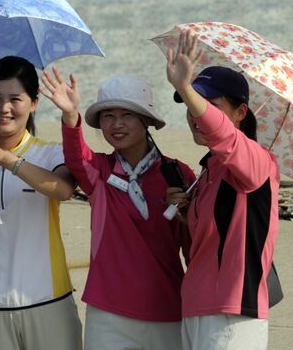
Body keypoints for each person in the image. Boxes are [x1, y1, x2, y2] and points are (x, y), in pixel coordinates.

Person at [40, 68, 196, 350]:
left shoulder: (179, 175)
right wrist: (70, 115)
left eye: (127, 115)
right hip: (107, 311)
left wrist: (186, 215)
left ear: (147, 119)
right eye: (108, 116)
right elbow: (77, 158)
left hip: (166, 307)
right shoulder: (99, 170)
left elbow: (195, 245)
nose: (116, 124)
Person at [0, 56, 82, 350]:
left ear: (33, 103)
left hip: (48, 302)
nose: (4, 108)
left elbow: (62, 189)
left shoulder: (51, 154)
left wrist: (4, 159)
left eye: (15, 99)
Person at [164, 31, 280, 350]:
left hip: (233, 312)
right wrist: (185, 212)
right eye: (190, 106)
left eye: (208, 105)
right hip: (195, 307)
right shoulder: (207, 170)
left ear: (240, 112)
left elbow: (224, 136)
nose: (195, 115)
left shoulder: (257, 160)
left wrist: (185, 88)